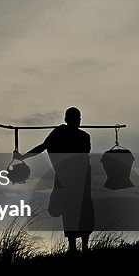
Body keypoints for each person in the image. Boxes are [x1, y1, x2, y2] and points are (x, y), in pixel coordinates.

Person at [14, 107, 94, 253]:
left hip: (73, 180)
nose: (78, 121)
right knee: (77, 210)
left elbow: (43, 147)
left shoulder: (62, 134)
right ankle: (77, 247)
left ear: (66, 120)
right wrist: (23, 157)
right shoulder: (81, 136)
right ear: (73, 120)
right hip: (77, 180)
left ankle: (78, 247)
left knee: (75, 210)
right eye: (77, 119)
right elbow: (43, 147)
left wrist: (23, 157)